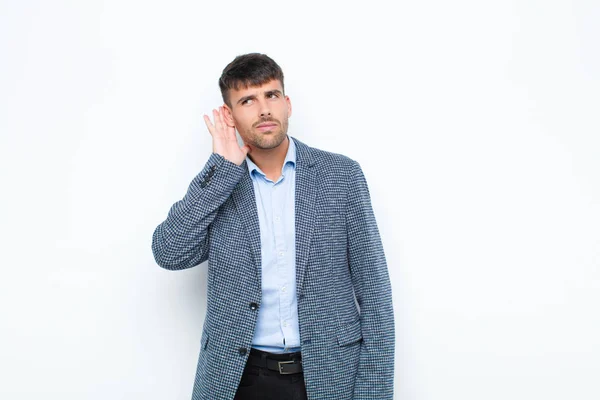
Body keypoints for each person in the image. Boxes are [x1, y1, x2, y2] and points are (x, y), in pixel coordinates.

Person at [151, 53, 394, 400]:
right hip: (238, 379)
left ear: (288, 104)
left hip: (329, 375)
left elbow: (375, 296)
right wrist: (221, 168)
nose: (264, 109)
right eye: (247, 100)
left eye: (271, 95)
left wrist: (374, 394)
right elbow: (169, 252)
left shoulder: (341, 177)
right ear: (229, 116)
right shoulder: (223, 185)